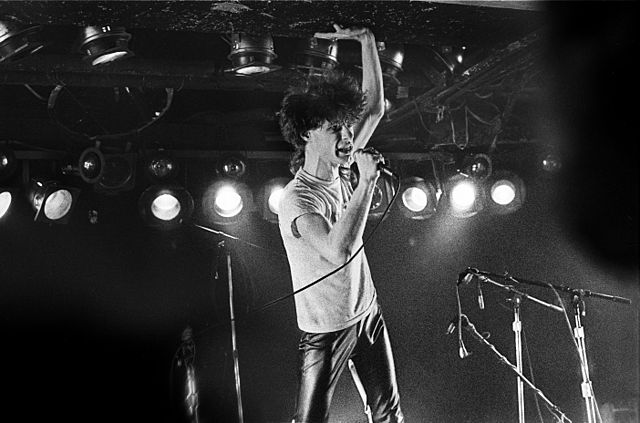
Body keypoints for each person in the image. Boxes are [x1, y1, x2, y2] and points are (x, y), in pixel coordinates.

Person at [277, 24, 405, 423]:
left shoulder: (344, 164)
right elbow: (337, 250)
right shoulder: (297, 200)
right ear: (307, 133)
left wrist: (367, 41)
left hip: (366, 313)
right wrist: (366, 181)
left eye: (347, 127)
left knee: (389, 415)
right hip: (325, 330)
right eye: (335, 129)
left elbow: (376, 108)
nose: (348, 137)